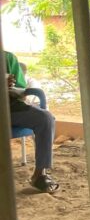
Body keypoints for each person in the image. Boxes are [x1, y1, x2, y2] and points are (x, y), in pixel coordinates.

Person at [7, 50, 59, 193]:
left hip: (10, 109)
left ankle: (39, 175)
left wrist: (9, 87)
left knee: (45, 118)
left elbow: (22, 91)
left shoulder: (8, 58)